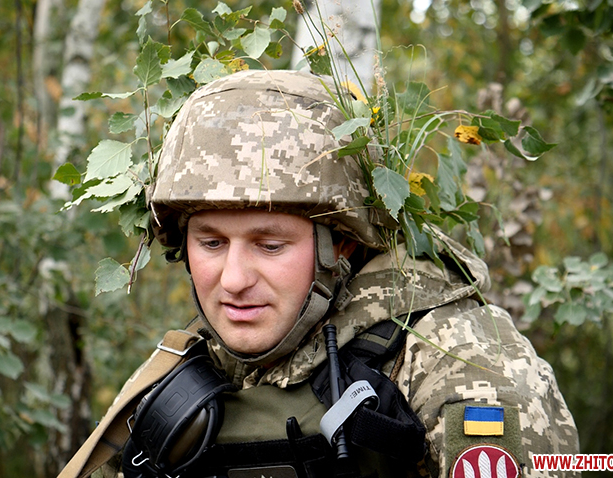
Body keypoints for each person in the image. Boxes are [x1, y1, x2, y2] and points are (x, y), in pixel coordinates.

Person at [58, 69, 579, 478]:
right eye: (211, 243)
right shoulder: (188, 366)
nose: (233, 280)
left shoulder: (455, 359)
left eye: (270, 245)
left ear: (341, 245)